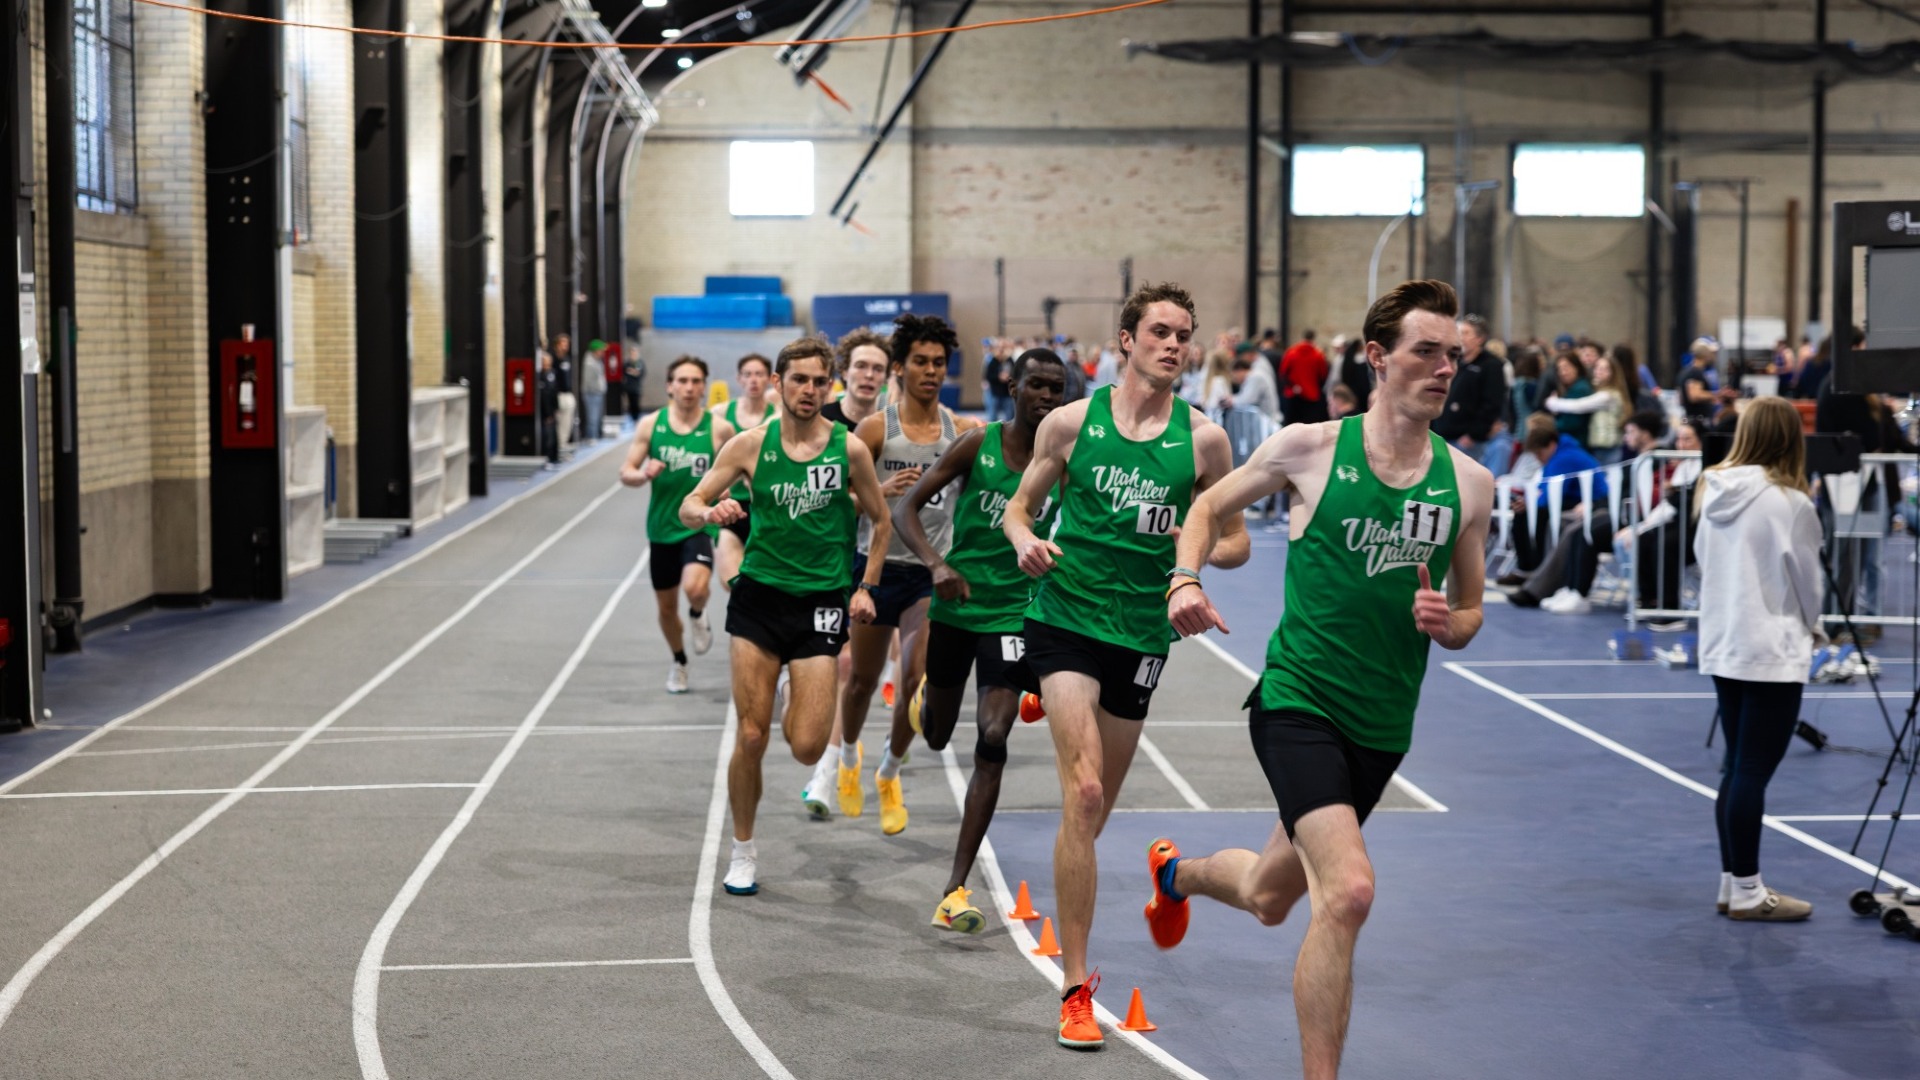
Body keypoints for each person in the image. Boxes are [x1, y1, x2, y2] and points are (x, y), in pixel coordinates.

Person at [1156, 279, 1491, 1080]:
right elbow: (1205, 510)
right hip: (1298, 702)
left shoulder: (1469, 485)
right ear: (1378, 358)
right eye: (1426, 351)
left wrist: (1452, 625)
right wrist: (1184, 580)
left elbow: (1473, 609)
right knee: (1347, 892)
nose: (1444, 368)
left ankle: (1177, 874)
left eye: (1453, 355)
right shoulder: (1310, 447)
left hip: (1383, 730)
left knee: (1274, 897)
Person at [1001, 282, 1248, 1050]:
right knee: (1084, 792)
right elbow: (1018, 508)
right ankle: (1076, 988)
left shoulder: (1205, 442)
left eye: (1186, 334)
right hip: (1065, 613)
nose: (1175, 344)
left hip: (1142, 632)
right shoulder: (1071, 424)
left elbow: (1235, 540)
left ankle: (1162, 876)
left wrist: (1190, 556)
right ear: (1127, 340)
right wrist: (1022, 540)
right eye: (1162, 332)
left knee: (1095, 815)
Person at [679, 337, 893, 897]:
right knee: (751, 737)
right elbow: (689, 503)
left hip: (821, 605)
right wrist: (711, 509)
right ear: (778, 383)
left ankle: (787, 695)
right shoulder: (750, 446)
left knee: (803, 745)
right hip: (759, 601)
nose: (809, 390)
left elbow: (881, 520)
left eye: (820, 382)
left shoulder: (849, 451)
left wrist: (867, 585)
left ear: (831, 386)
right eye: (798, 379)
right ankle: (743, 850)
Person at [895, 348, 1067, 934]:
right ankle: (922, 701)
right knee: (938, 735)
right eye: (1037, 386)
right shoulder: (977, 444)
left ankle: (954, 887)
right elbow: (906, 511)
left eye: (1057, 388)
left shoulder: (1067, 458)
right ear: (1012, 388)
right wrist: (936, 564)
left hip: (1015, 615)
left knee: (993, 737)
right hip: (957, 604)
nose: (1047, 397)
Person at [834, 313, 980, 836]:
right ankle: (849, 755)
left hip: (929, 573)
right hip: (876, 569)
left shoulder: (963, 432)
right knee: (861, 685)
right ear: (900, 367)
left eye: (939, 363)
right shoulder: (876, 430)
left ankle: (889, 773)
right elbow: (839, 503)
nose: (931, 371)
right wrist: (881, 495)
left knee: (915, 676)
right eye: (920, 361)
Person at [1694, 395, 1824, 921]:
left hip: (1725, 640)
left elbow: (1703, 562)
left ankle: (1733, 882)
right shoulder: (1790, 502)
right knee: (1750, 769)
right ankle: (1748, 890)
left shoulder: (1713, 489)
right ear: (1792, 439)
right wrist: (1816, 627)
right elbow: (1808, 581)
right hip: (1770, 646)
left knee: (1735, 765)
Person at [620, 356, 736, 692]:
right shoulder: (651, 425)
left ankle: (698, 613)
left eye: (696, 381)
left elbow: (735, 471)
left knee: (696, 588)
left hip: (699, 524)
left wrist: (725, 489)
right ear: (670, 386)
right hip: (661, 528)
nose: (689, 388)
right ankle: (679, 661)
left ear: (704, 386)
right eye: (682, 381)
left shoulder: (718, 429)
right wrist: (642, 475)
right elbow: (625, 472)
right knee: (667, 609)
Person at [711, 354, 780, 593]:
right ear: (739, 379)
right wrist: (718, 482)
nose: (753, 380)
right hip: (732, 508)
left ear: (770, 379)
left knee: (768, 584)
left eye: (759, 374)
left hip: (767, 506)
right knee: (733, 582)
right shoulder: (720, 414)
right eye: (748, 374)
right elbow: (710, 456)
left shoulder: (779, 416)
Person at [1430, 313, 1506, 463]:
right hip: (1443, 436)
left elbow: (1492, 404)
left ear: (1479, 338)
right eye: (1458, 333)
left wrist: (1474, 435)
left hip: (1467, 442)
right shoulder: (1455, 362)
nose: (1460, 338)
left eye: (1465, 333)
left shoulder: (1491, 365)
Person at [1545, 351, 1633, 465]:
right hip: (1601, 446)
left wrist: (1552, 402)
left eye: (1605, 369)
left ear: (1613, 373)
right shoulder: (1602, 392)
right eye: (1597, 368)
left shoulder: (1608, 396)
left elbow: (1579, 406)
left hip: (1608, 448)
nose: (1599, 372)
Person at [1278, 328, 1331, 425]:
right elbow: (1323, 376)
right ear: (1313, 338)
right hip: (1311, 397)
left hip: (1293, 395)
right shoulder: (1318, 355)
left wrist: (1293, 386)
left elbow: (1283, 373)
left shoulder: (1291, 352)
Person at [1232, 342, 1282, 423]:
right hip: (1267, 420)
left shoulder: (1257, 371)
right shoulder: (1259, 364)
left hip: (1268, 421)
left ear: (1249, 354)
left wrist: (1232, 400)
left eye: (1241, 357)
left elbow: (1247, 399)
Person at [552, 333, 578, 457]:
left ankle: (564, 444)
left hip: (568, 394)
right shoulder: (553, 360)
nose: (565, 346)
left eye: (567, 344)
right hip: (559, 395)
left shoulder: (567, 359)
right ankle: (559, 448)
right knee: (560, 423)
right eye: (563, 344)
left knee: (568, 422)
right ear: (557, 345)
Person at [581, 339, 609, 443]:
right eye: (601, 350)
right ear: (596, 350)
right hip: (591, 393)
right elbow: (589, 381)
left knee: (597, 416)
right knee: (592, 416)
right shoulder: (589, 363)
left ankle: (596, 434)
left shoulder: (597, 361)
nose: (602, 352)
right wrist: (598, 389)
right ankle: (591, 436)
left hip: (598, 393)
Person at [537, 349, 562, 469]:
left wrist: (556, 408)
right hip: (546, 412)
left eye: (548, 362)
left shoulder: (552, 374)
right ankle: (548, 458)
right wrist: (548, 414)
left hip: (552, 410)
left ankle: (555, 457)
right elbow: (544, 396)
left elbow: (554, 393)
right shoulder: (540, 377)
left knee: (553, 435)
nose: (547, 364)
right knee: (548, 436)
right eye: (544, 362)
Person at [623, 346, 646, 425]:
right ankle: (632, 418)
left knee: (636, 403)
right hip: (629, 387)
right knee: (631, 403)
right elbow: (625, 372)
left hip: (637, 387)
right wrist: (633, 372)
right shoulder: (627, 363)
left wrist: (634, 372)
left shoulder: (640, 363)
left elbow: (641, 373)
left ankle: (636, 418)